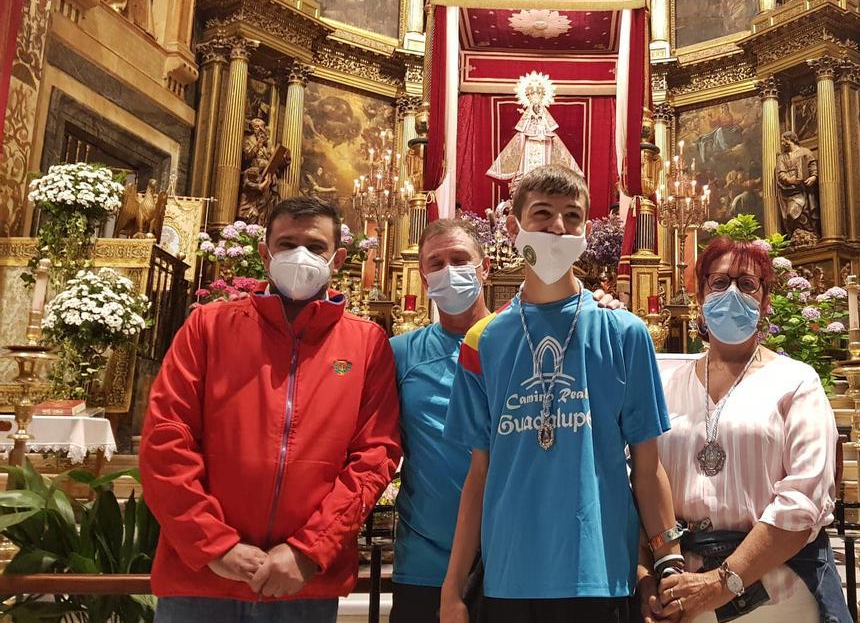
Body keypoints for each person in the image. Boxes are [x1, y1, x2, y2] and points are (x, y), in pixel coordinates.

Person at [141, 196, 402, 623]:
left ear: (337, 258)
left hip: (302, 580)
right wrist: (213, 545)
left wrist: (308, 550)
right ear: (265, 254)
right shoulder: (208, 326)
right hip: (203, 579)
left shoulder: (366, 343)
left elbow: (374, 455)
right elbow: (165, 439)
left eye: (316, 247)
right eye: (287, 243)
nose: (300, 255)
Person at [439, 164, 681, 623]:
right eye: (542, 213)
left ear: (586, 231)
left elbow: (648, 469)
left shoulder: (624, 332)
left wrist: (668, 563)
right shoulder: (482, 341)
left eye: (572, 216)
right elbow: (478, 475)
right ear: (512, 228)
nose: (558, 227)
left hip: (597, 572)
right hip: (508, 574)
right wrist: (452, 589)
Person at [389, 218, 623, 622]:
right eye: (436, 263)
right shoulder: (400, 354)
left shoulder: (519, 337)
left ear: (484, 268)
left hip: (516, 560)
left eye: (460, 259)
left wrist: (599, 311)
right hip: (428, 561)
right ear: (423, 278)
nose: (449, 271)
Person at [649, 237, 850, 623]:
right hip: (681, 585)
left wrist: (720, 584)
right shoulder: (668, 386)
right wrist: (657, 570)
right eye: (719, 283)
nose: (732, 294)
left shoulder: (795, 382)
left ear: (765, 301)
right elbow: (645, 481)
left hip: (777, 586)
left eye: (747, 284)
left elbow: (803, 498)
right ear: (700, 298)